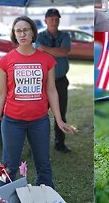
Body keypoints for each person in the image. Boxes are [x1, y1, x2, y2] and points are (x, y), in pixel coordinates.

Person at [0, 16, 75, 188]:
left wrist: (59, 120)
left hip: (39, 121)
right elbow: (0, 93)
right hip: (12, 121)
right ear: (14, 35)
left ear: (33, 32)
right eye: (18, 31)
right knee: (9, 165)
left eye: (26, 30)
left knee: (43, 164)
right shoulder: (5, 61)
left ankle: (45, 196)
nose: (22, 34)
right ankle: (5, 198)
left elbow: (51, 91)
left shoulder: (46, 60)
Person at [35, 8, 73, 153]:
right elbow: (38, 52)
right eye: (51, 19)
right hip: (43, 82)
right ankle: (39, 145)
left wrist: (45, 49)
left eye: (57, 19)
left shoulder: (65, 35)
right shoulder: (39, 36)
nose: (54, 21)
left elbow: (63, 51)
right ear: (45, 21)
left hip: (61, 81)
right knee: (40, 113)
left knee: (61, 113)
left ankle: (60, 143)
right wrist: (53, 51)